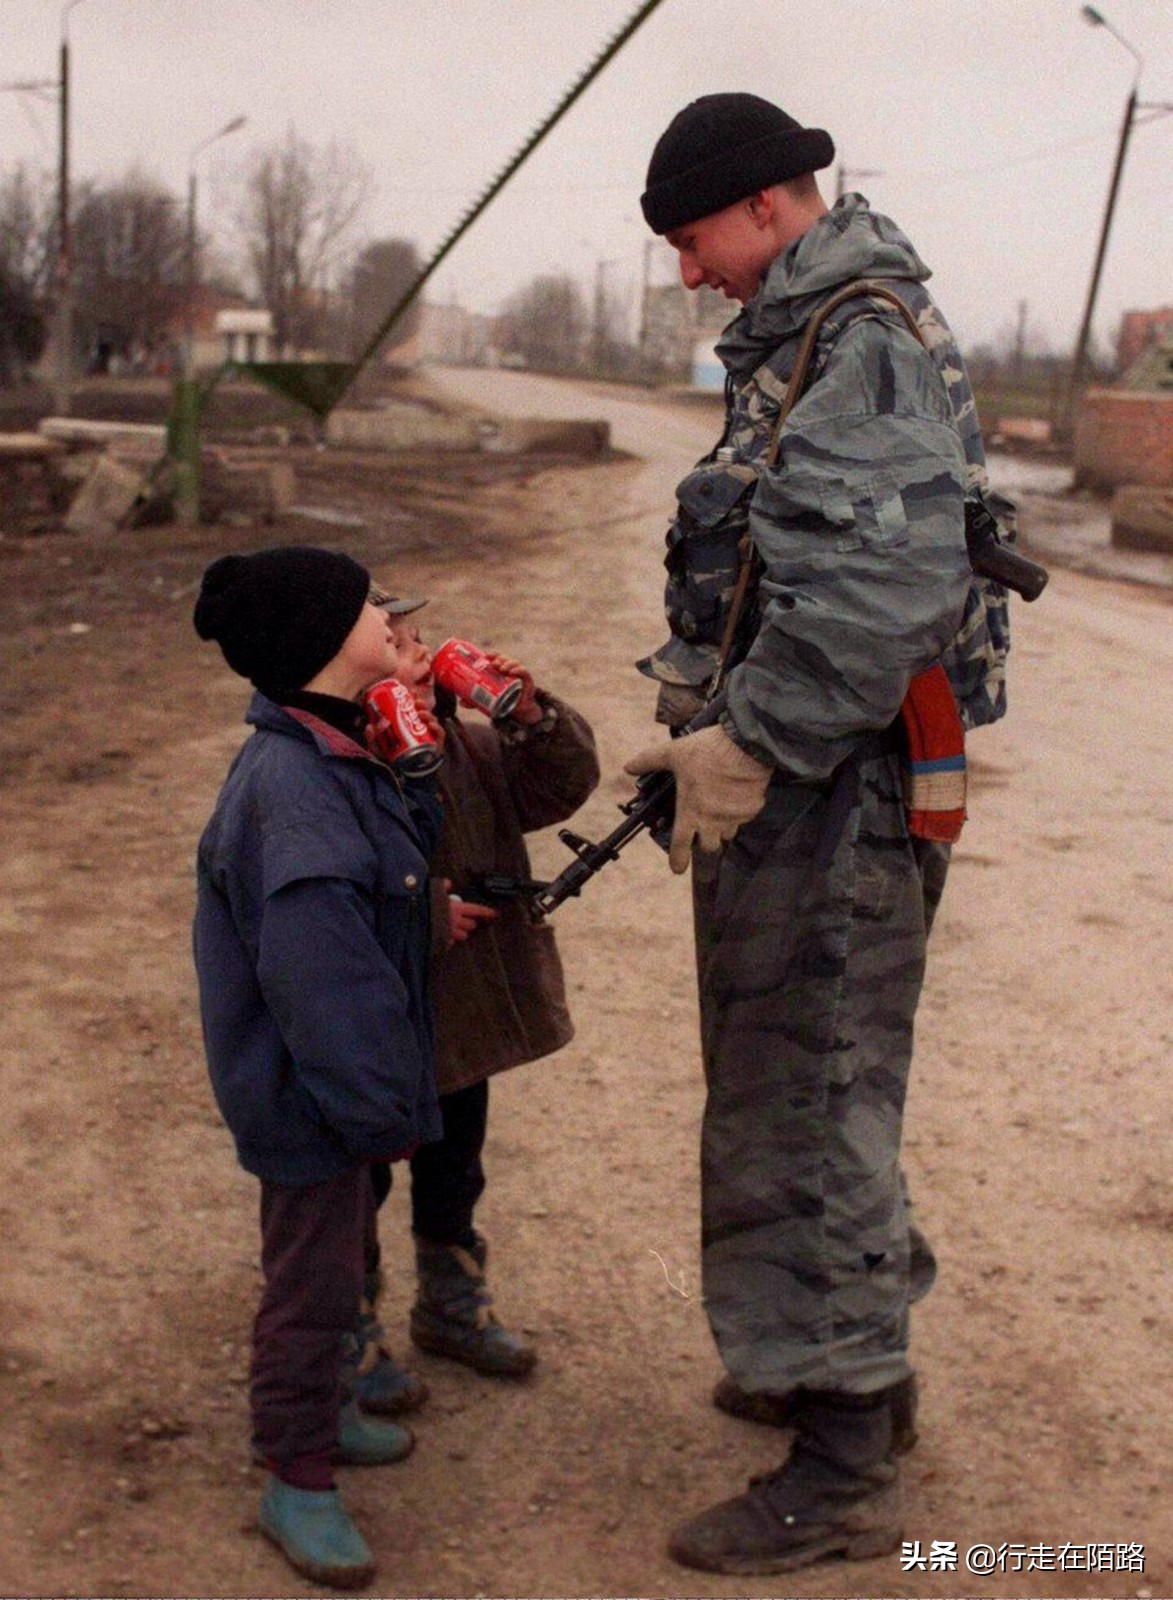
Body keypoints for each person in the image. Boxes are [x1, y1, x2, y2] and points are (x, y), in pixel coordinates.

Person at [624, 94, 1011, 1574]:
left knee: (815, 1097)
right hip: (800, 787)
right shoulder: (802, 341)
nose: (686, 271)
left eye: (692, 237)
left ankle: (846, 1459)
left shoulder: (857, 344)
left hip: (836, 796)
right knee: (783, 1082)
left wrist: (748, 742)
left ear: (769, 208)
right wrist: (694, 725)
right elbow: (762, 575)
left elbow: (875, 602)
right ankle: (830, 1359)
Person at [191, 546, 444, 1590]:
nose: (388, 611)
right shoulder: (294, 792)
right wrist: (376, 1105)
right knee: (311, 1285)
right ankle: (295, 1473)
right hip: (312, 1099)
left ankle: (332, 1410)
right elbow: (321, 980)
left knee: (338, 1263)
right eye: (364, 603)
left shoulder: (336, 744)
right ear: (315, 646)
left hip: (335, 1094)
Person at [351, 604, 601, 1411]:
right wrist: (422, 915)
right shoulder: (333, 769)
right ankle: (347, 1324)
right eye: (395, 649)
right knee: (356, 1179)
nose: (420, 662)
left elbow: (560, 786)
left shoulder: (464, 747)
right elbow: (324, 895)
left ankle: (450, 1300)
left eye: (421, 644)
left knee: (455, 1161)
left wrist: (532, 716)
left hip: (458, 1016)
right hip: (370, 1021)